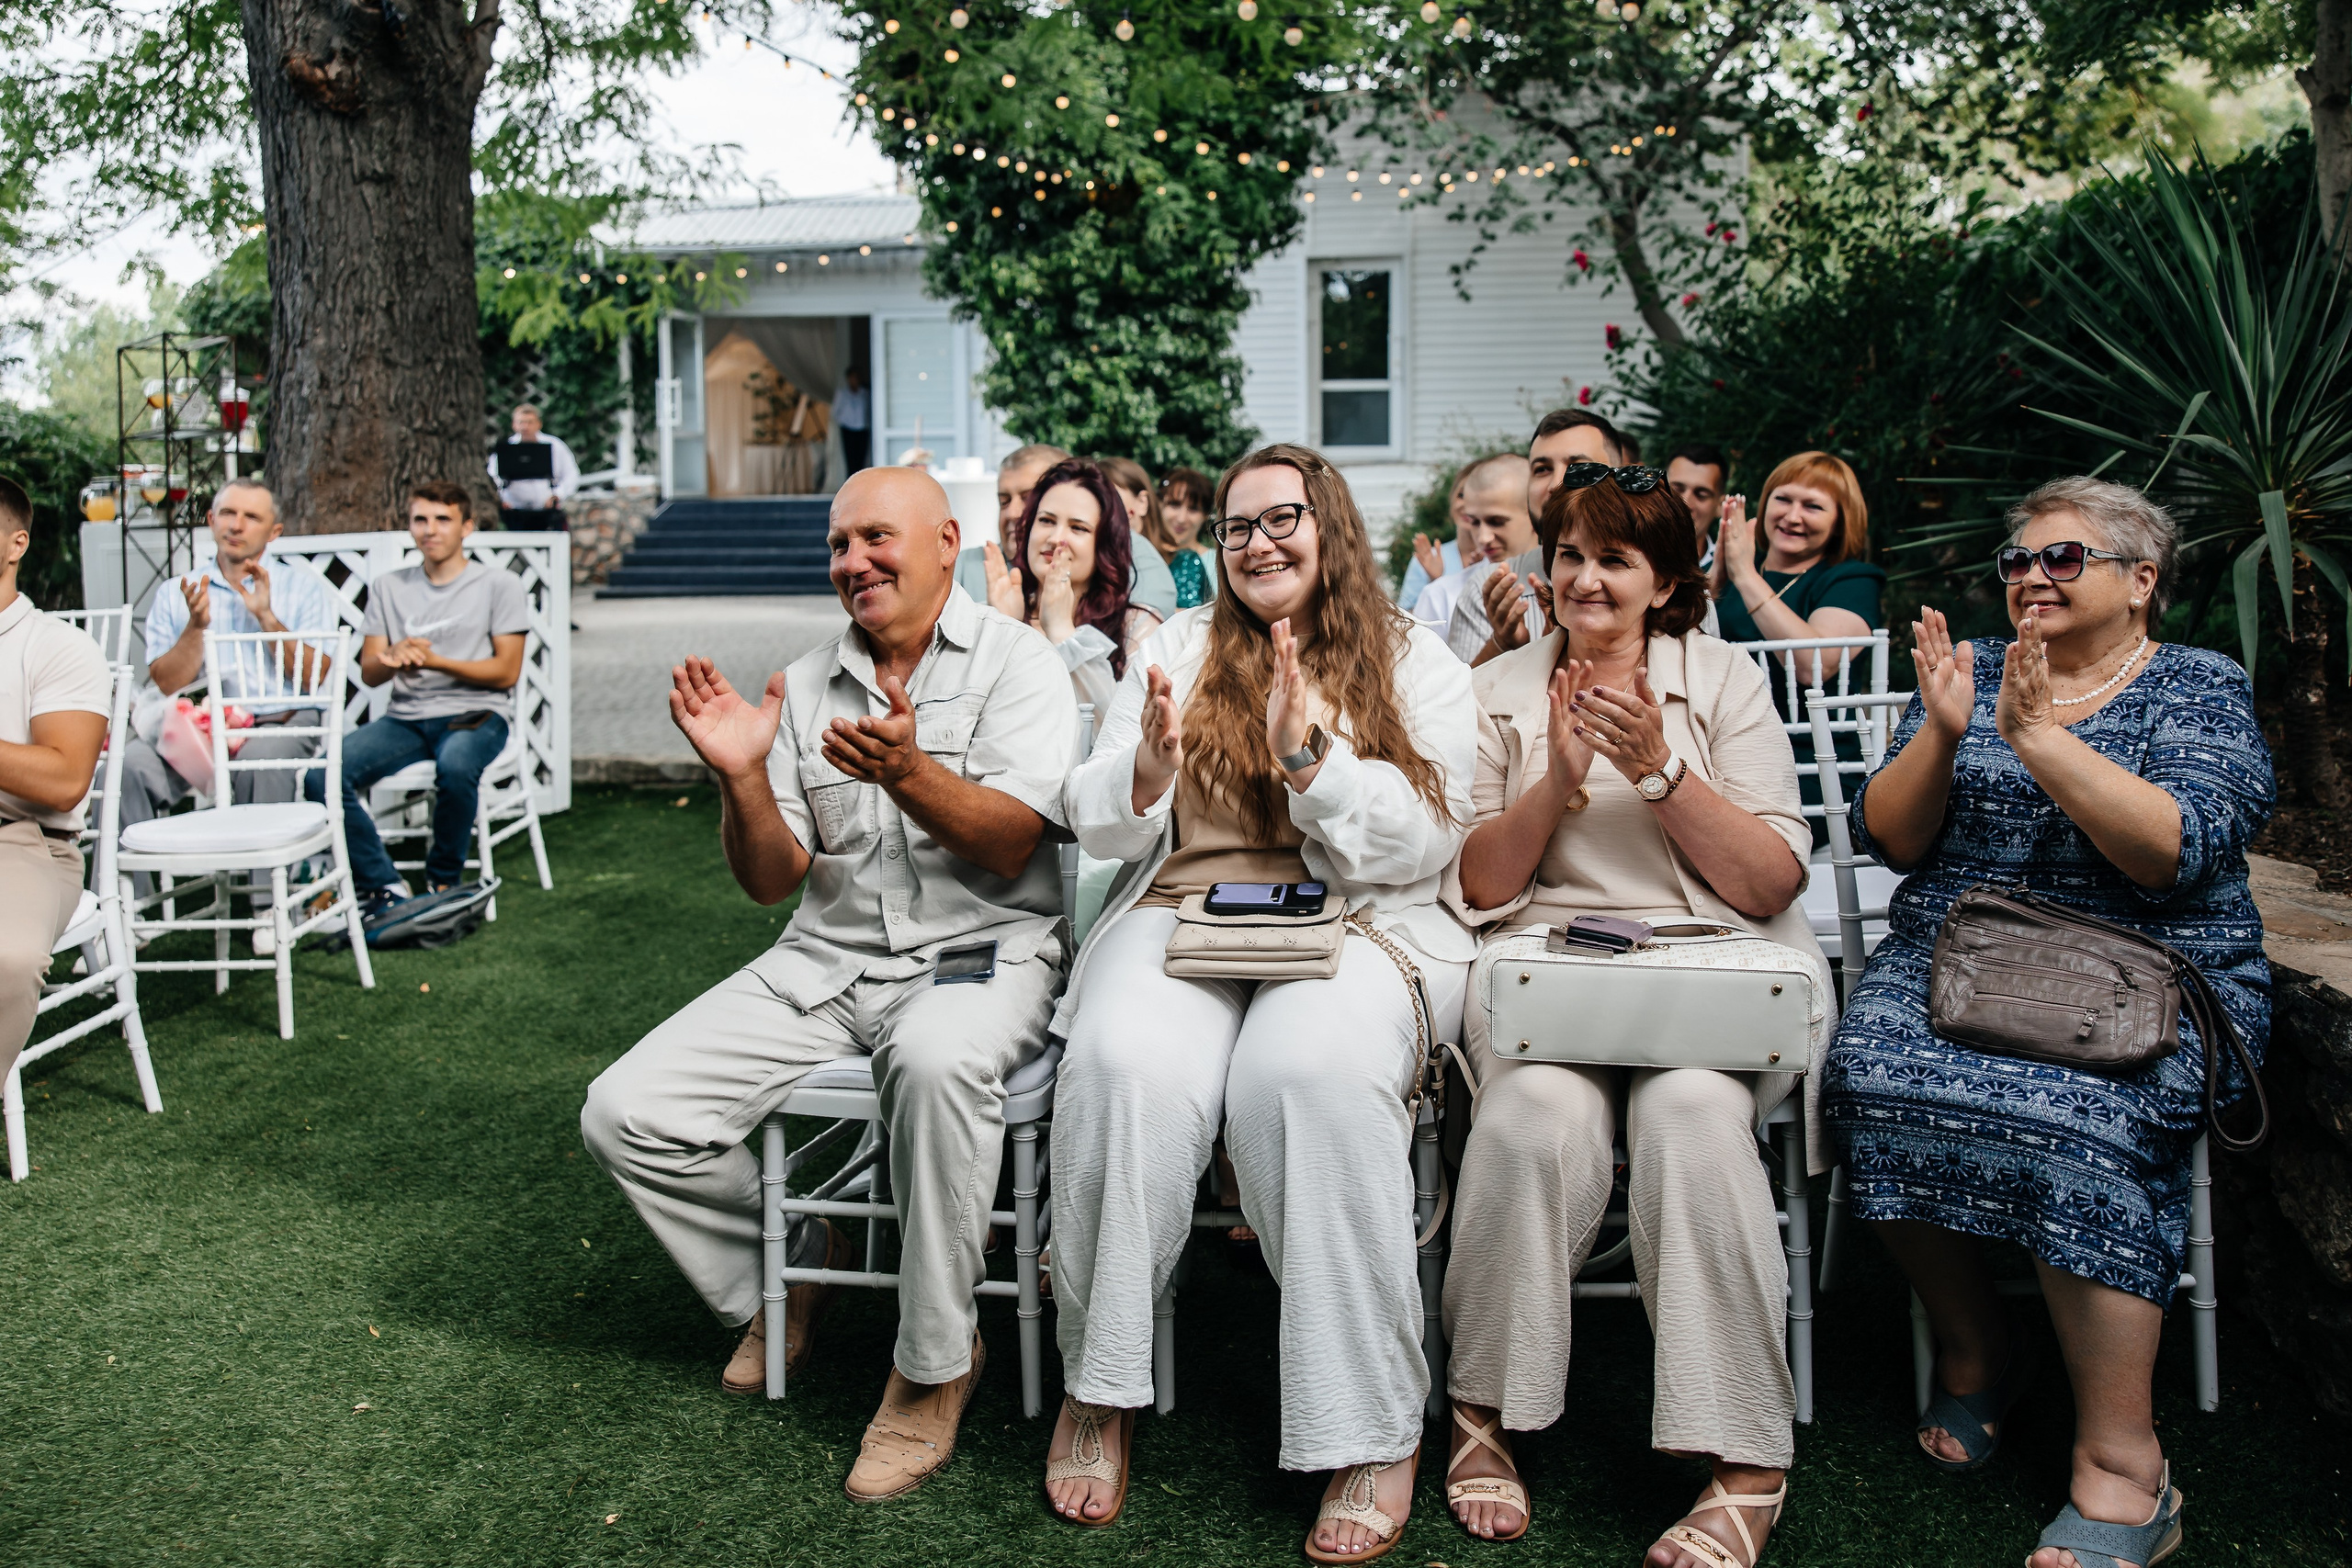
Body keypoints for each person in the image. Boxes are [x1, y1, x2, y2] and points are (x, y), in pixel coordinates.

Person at [582, 466, 1079, 1503]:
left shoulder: (1019, 665)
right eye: (839, 544)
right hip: (827, 959)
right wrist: (740, 776)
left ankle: (933, 1366)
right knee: (626, 1109)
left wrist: (910, 773)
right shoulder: (808, 681)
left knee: (936, 1057)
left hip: (979, 956)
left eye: (876, 539)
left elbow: (1011, 845)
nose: (853, 562)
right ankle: (797, 1253)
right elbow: (773, 880)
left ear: (948, 541)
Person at [1824, 477, 2273, 1568]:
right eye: (2018, 559)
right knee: (1863, 1081)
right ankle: (1981, 1351)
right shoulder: (1972, 672)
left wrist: (2038, 739)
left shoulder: (2198, 686)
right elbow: (1890, 839)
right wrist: (1939, 732)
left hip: (2149, 977)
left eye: (2062, 558)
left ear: (2141, 580)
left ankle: (2124, 1466)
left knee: (2086, 1128)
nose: (2031, 575)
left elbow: (2174, 850)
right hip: (1958, 965)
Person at [1041, 445, 1476, 1561]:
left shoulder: (1419, 657)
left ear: (1328, 522)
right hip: (1184, 910)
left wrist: (1312, 759)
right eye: (1236, 528)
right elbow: (1092, 813)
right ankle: (1100, 1382)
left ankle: (1369, 1426)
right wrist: (1141, 768)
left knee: (1304, 1076)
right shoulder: (1178, 647)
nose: (1257, 543)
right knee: (1121, 1061)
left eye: (1281, 518)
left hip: (1357, 920)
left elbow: (1430, 837)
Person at [1439, 461, 1819, 1565]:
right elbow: (1474, 883)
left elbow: (1769, 883)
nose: (1584, 580)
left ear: (1664, 582)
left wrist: (1657, 772)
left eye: (1614, 559)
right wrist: (1556, 781)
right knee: (1527, 1125)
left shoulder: (1725, 680)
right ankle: (1486, 1412)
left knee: (1692, 1121)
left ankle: (1742, 1454)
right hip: (1546, 980)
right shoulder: (1497, 688)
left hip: (1708, 976)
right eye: (1568, 555)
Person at [126, 478, 344, 944]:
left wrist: (266, 616)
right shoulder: (178, 591)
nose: (237, 525)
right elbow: (168, 683)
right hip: (201, 729)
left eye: (252, 517)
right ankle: (132, 912)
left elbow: (312, 680)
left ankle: (270, 908)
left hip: (282, 718)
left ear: (275, 532)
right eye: (228, 513)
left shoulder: (302, 589)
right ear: (210, 521)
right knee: (128, 768)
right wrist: (196, 627)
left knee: (253, 765)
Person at [311, 482, 527, 914]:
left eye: (443, 519)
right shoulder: (389, 586)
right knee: (323, 774)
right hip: (406, 718)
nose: (430, 530)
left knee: (457, 764)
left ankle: (443, 881)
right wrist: (391, 657)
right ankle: (384, 883)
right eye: (420, 520)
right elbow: (371, 673)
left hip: (477, 713)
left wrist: (435, 661)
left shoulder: (499, 584)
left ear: (466, 526)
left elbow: (506, 672)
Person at [1711, 451, 1885, 841]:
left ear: (1841, 520)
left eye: (1813, 506)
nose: (1793, 516)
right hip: (1724, 756)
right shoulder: (1736, 571)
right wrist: (1719, 573)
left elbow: (1813, 665)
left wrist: (1744, 572)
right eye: (1784, 499)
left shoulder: (1851, 580)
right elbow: (1678, 638)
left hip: (1811, 768)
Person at [0, 476, 109, 1088]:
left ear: (16, 544)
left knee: (8, 959)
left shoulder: (56, 646)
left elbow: (65, 779)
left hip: (24, 841)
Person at [980, 459, 1162, 715]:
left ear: (1104, 544)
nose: (1055, 539)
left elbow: (1121, 733)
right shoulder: (994, 614)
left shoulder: (1137, 627)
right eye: (1046, 521)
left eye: (1078, 528)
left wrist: (1063, 633)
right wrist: (1007, 627)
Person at [958, 444, 1180, 619]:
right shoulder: (968, 564)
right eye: (1004, 501)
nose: (1013, 513)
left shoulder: (1131, 552)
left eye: (1028, 498)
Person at [1432, 454, 1541, 663]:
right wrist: (1499, 644)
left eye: (1497, 522)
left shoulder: (1574, 580)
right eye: (1473, 522)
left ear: (1534, 512)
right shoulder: (1449, 593)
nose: (1483, 538)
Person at [490, 404, 580, 531]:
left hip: (547, 512)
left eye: (530, 422)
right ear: (514, 425)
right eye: (521, 422)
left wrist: (558, 495)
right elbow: (493, 476)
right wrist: (499, 498)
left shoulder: (555, 446)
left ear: (539, 424)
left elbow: (571, 474)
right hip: (513, 512)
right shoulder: (505, 449)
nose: (525, 427)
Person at [1399, 469, 1472, 616]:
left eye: (1477, 497)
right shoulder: (1425, 559)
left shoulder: (1500, 558)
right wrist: (1435, 583)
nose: (1467, 504)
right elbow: (1405, 621)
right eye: (1461, 495)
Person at [1154, 466, 1218, 609]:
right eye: (1174, 504)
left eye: (1193, 509)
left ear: (1206, 515)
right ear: (1158, 505)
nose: (1182, 518)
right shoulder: (1143, 554)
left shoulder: (1218, 563)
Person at [1667, 444, 1728, 569]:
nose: (1686, 503)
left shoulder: (1728, 572)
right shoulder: (1627, 554)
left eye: (1701, 494)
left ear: (1720, 506)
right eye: (1676, 490)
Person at [833, 367, 873, 476]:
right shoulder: (842, 393)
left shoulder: (865, 393)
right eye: (852, 377)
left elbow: (869, 410)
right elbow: (835, 412)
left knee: (861, 458)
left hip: (862, 428)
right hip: (848, 429)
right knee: (850, 459)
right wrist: (844, 420)